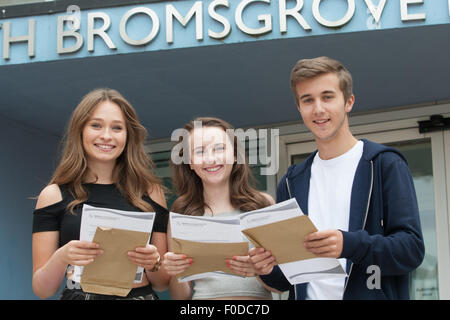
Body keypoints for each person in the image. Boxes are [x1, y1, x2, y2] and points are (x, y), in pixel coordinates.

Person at [250, 56, 425, 300]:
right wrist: (267, 270)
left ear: (348, 102)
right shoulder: (291, 182)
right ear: (299, 109)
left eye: (327, 97)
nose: (318, 109)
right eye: (308, 100)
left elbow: (411, 250)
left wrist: (349, 244)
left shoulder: (384, 164)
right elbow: (289, 279)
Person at [32, 88, 170, 300]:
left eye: (117, 128)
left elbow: (162, 284)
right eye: (96, 125)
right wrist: (61, 257)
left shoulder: (151, 192)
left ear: (128, 135)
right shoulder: (53, 195)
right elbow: (42, 290)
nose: (106, 136)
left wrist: (154, 262)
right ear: (81, 130)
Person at [162, 117, 277, 300]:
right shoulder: (181, 212)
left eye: (220, 148)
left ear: (234, 155)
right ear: (190, 163)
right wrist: (177, 272)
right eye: (199, 151)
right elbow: (180, 297)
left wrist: (260, 270)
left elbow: (281, 285)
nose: (211, 159)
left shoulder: (262, 204)